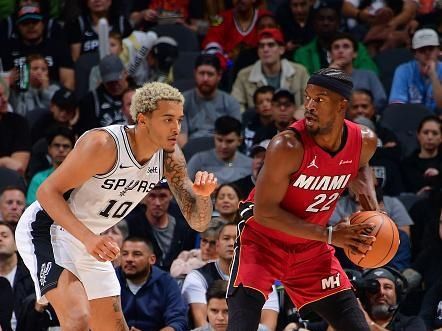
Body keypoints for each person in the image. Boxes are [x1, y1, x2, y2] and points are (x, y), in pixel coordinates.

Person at [15, 82, 218, 331]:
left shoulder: (169, 156)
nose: (177, 128)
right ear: (143, 120)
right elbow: (47, 192)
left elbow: (199, 222)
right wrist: (89, 239)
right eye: (168, 119)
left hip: (90, 239)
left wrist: (205, 196)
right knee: (78, 319)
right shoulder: (103, 144)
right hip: (48, 228)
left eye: (179, 120)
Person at [227, 68, 380, 331]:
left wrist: (373, 212)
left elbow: (362, 167)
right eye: (307, 97)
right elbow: (264, 212)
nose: (308, 106)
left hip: (312, 250)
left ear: (342, 105)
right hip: (262, 243)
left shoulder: (364, 141)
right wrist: (331, 235)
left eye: (319, 99)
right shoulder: (286, 146)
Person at [182, 222, 279, 330]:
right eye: (226, 238)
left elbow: (268, 327)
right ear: (217, 245)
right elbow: (202, 325)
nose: (232, 243)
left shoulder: (263, 279)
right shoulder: (197, 277)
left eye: (238, 238)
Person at [116, 236, 187, 331]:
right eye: (124, 254)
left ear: (152, 259)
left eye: (137, 254)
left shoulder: (166, 282)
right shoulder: (111, 280)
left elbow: (178, 321)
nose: (129, 259)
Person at [124, 179, 196, 271]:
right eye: (152, 196)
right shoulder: (131, 225)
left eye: (162, 196)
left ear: (171, 196)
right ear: (145, 197)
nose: (157, 203)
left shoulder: (184, 228)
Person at [232, 27, 309, 113]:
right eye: (261, 46)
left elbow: (310, 100)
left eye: (271, 45)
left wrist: (300, 117)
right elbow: (236, 106)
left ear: (281, 49)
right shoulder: (244, 75)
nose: (265, 49)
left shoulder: (300, 72)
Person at [178, 54, 241, 147]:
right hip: (191, 151)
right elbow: (181, 139)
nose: (205, 79)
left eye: (210, 74)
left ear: (219, 76)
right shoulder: (181, 101)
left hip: (222, 150)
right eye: (201, 73)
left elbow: (234, 138)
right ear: (195, 73)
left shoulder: (231, 103)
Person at [187, 116, 252, 184]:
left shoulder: (250, 165)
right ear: (214, 137)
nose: (224, 146)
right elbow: (183, 187)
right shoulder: (199, 160)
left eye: (229, 141)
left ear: (239, 141)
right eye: (219, 140)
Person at [389, 28, 442, 113]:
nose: (427, 53)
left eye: (431, 48)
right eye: (422, 50)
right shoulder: (403, 71)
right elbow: (396, 105)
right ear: (415, 54)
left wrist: (433, 75)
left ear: (439, 50)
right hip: (411, 120)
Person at [358, 268, 426, 330]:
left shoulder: (413, 322)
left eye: (387, 287)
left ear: (397, 293)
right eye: (374, 287)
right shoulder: (353, 322)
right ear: (364, 295)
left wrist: (370, 324)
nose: (381, 292)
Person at [26, 127, 75, 205]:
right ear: (49, 149)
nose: (61, 149)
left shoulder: (80, 177)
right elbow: (31, 208)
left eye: (66, 146)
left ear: (72, 150)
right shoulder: (38, 179)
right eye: (56, 145)